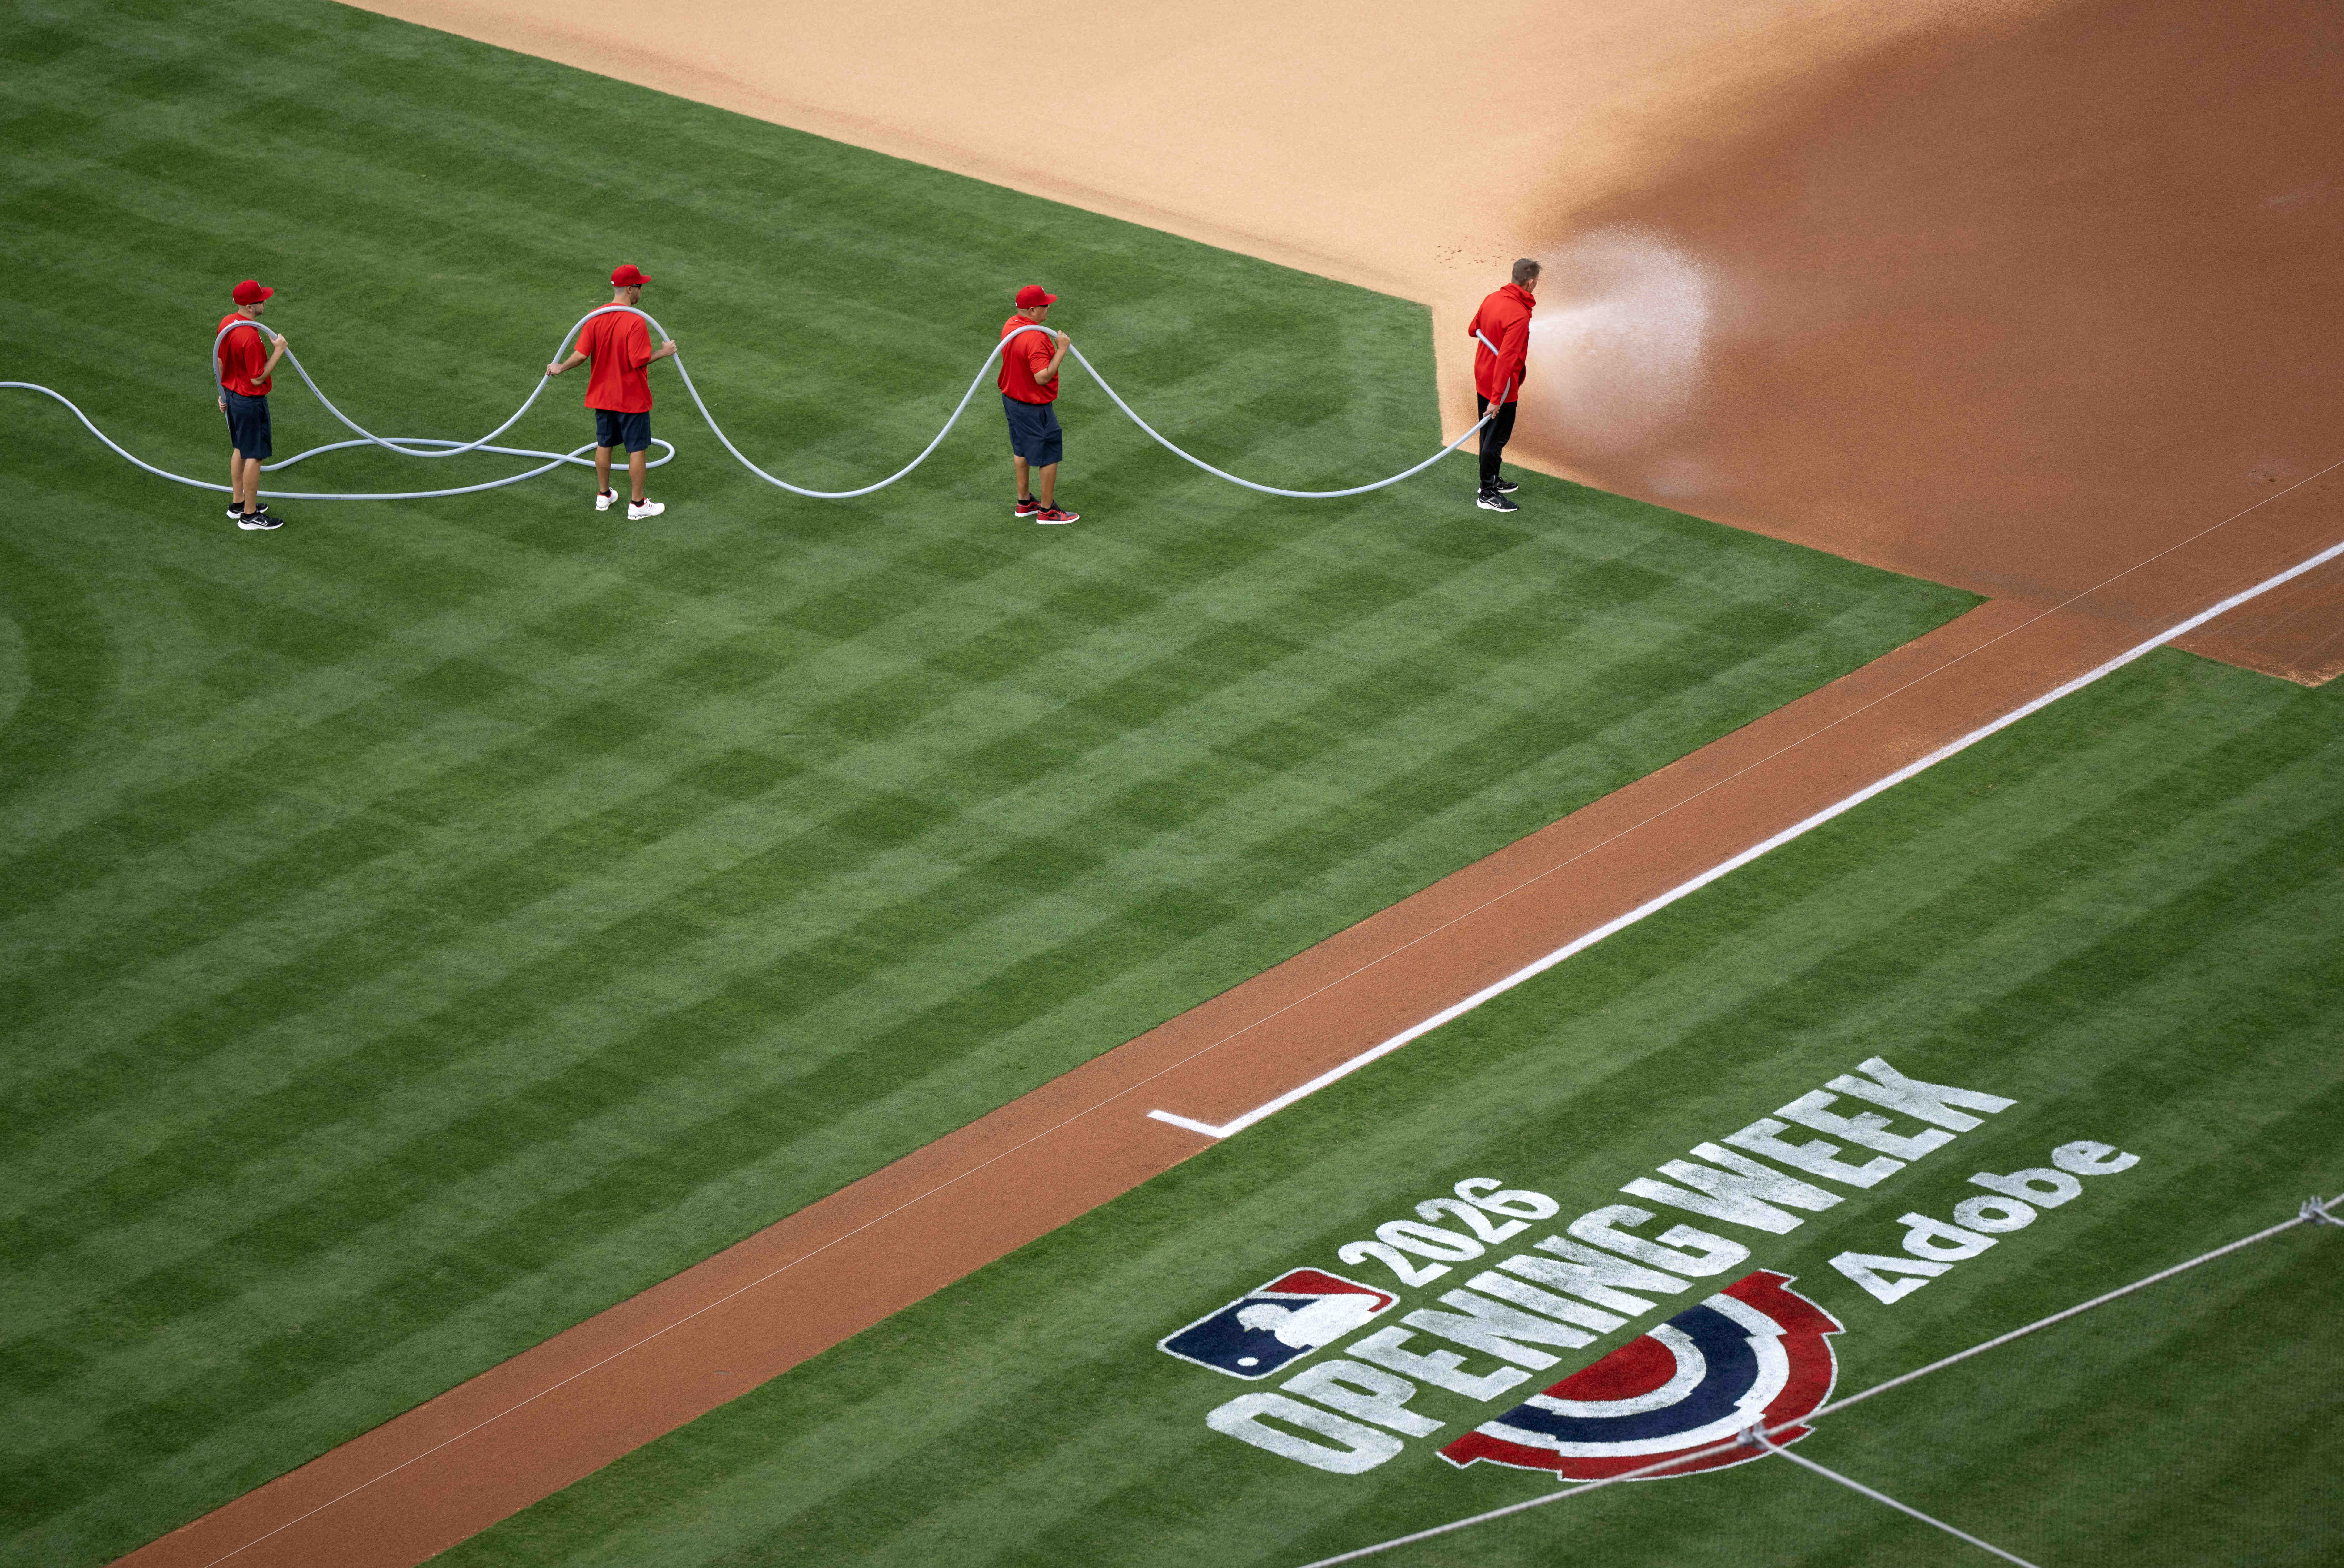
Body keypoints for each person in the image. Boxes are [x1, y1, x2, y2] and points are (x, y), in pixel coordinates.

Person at [547, 264, 677, 520]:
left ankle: (604, 496)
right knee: (637, 448)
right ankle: (638, 505)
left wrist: (561, 367)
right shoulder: (636, 321)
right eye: (639, 287)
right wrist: (664, 352)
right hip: (631, 397)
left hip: (603, 396)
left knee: (604, 444)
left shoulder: (595, 316)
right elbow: (637, 360)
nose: (641, 291)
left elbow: (582, 354)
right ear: (629, 290)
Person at [999, 284, 1078, 524]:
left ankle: (1025, 503)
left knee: (1021, 449)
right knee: (1049, 454)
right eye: (1045, 305)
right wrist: (1062, 351)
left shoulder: (1011, 326)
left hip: (1012, 401)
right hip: (1033, 406)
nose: (1049, 308)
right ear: (1032, 310)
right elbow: (1042, 377)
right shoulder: (1035, 338)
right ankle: (1047, 511)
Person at [216, 279, 290, 530]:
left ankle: (239, 504)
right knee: (255, 456)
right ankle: (249, 516)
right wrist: (278, 351)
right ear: (250, 306)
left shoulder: (228, 323)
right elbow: (258, 378)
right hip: (250, 402)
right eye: (261, 299)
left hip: (234, 397)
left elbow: (220, 360)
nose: (265, 301)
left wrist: (223, 392)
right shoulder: (250, 338)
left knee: (240, 448)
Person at [1467, 258, 1539, 513]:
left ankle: (1492, 480)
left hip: (1483, 376)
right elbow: (1507, 358)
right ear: (1530, 282)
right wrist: (1498, 399)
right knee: (1495, 439)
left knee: (1488, 435)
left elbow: (1473, 329)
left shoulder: (1492, 299)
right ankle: (1486, 493)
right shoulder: (1519, 315)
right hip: (1502, 386)